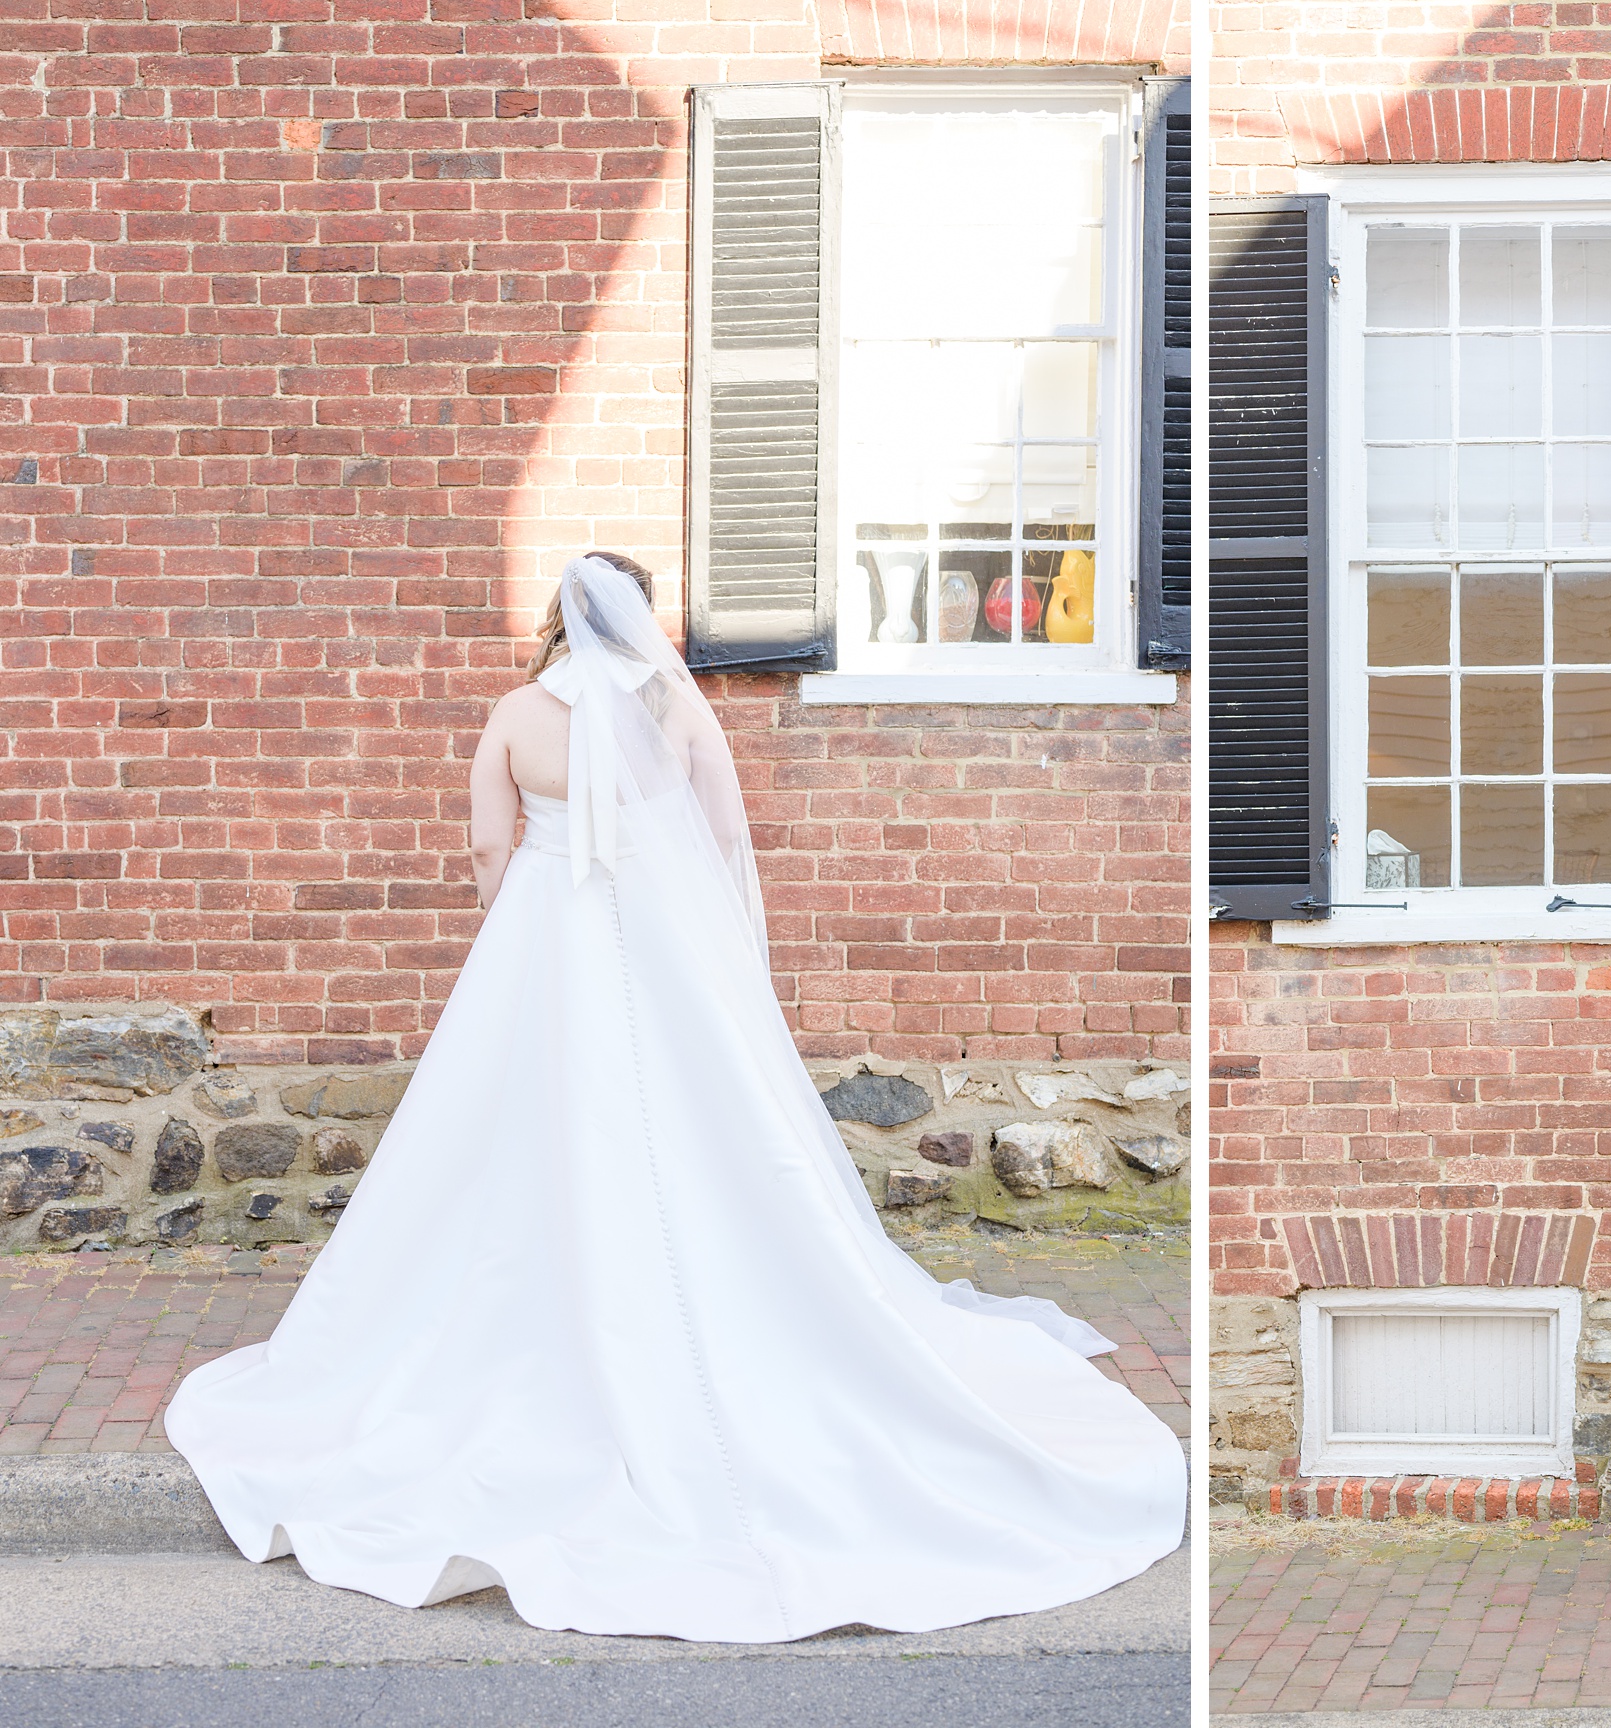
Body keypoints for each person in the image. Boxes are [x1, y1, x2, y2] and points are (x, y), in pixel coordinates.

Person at [164, 553, 1187, 1643]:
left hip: (545, 941)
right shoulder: (673, 705)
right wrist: (732, 956)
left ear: (557, 620)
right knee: (714, 1136)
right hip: (670, 954)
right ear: (643, 621)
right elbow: (727, 838)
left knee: (513, 1142)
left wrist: (518, 922)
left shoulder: (516, 711)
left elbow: (484, 844)